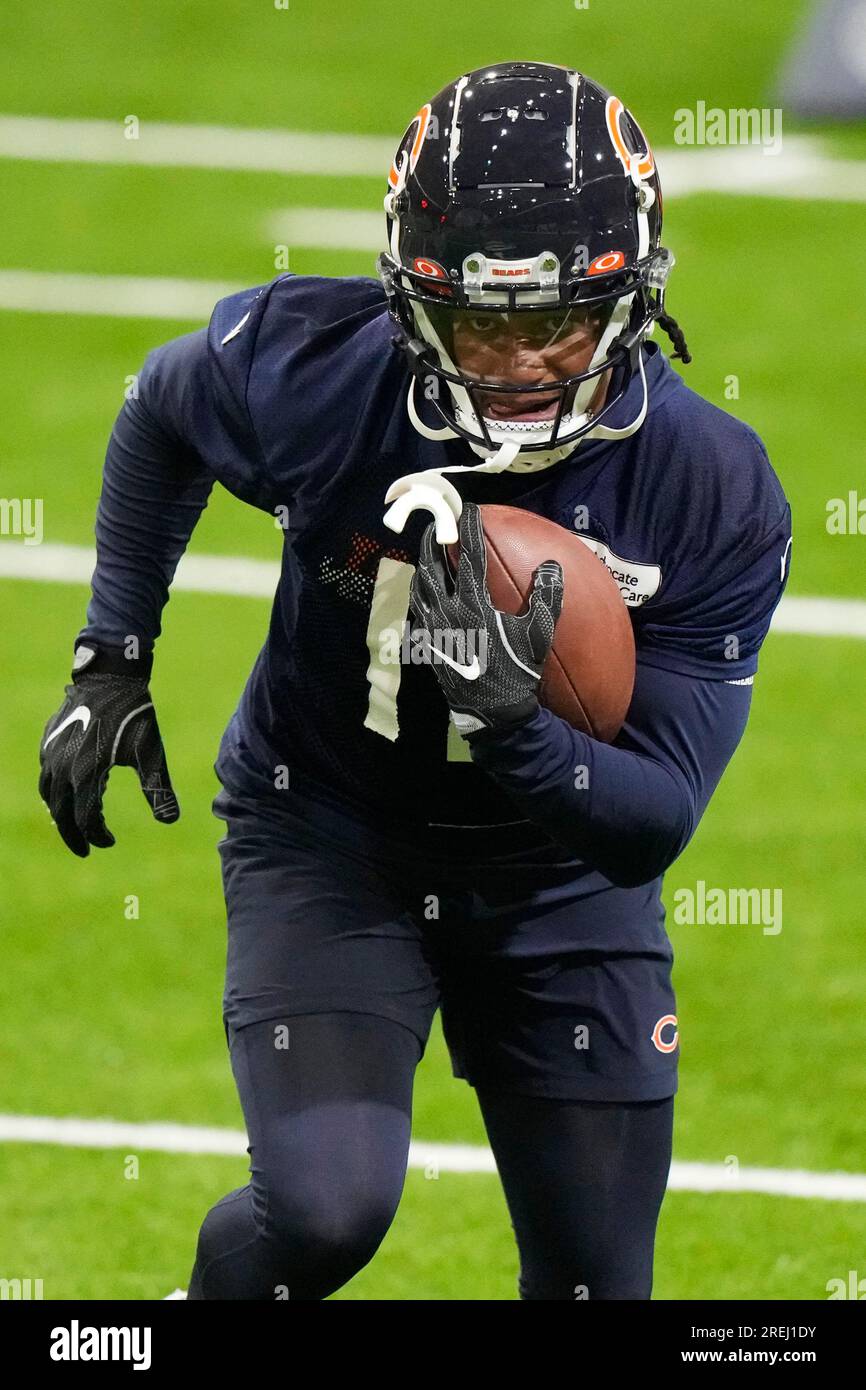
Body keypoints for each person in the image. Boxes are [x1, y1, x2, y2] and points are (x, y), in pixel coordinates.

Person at [38, 61, 791, 1300]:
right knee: (323, 1214)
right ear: (409, 298)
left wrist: (517, 732)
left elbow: (650, 820)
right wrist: (111, 655)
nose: (514, 360)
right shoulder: (319, 365)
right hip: (330, 831)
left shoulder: (709, 483)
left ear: (628, 300)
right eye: (479, 321)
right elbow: (161, 411)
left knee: (600, 1283)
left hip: (558, 886)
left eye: (550, 320)